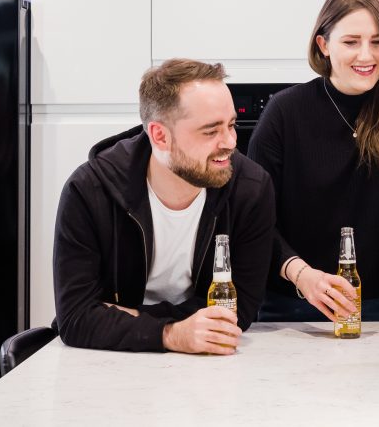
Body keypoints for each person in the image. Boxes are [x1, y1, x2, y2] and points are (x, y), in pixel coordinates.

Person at [52, 59, 276, 355]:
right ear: (160, 135)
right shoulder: (89, 191)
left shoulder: (251, 188)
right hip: (105, 364)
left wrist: (124, 316)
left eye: (231, 125)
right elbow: (75, 318)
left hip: (206, 368)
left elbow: (239, 310)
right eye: (211, 132)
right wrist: (171, 334)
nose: (230, 142)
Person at [248, 0, 379, 335]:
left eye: (377, 42)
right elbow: (256, 219)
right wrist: (302, 275)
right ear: (324, 45)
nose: (367, 55)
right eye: (351, 42)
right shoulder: (285, 112)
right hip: (291, 307)